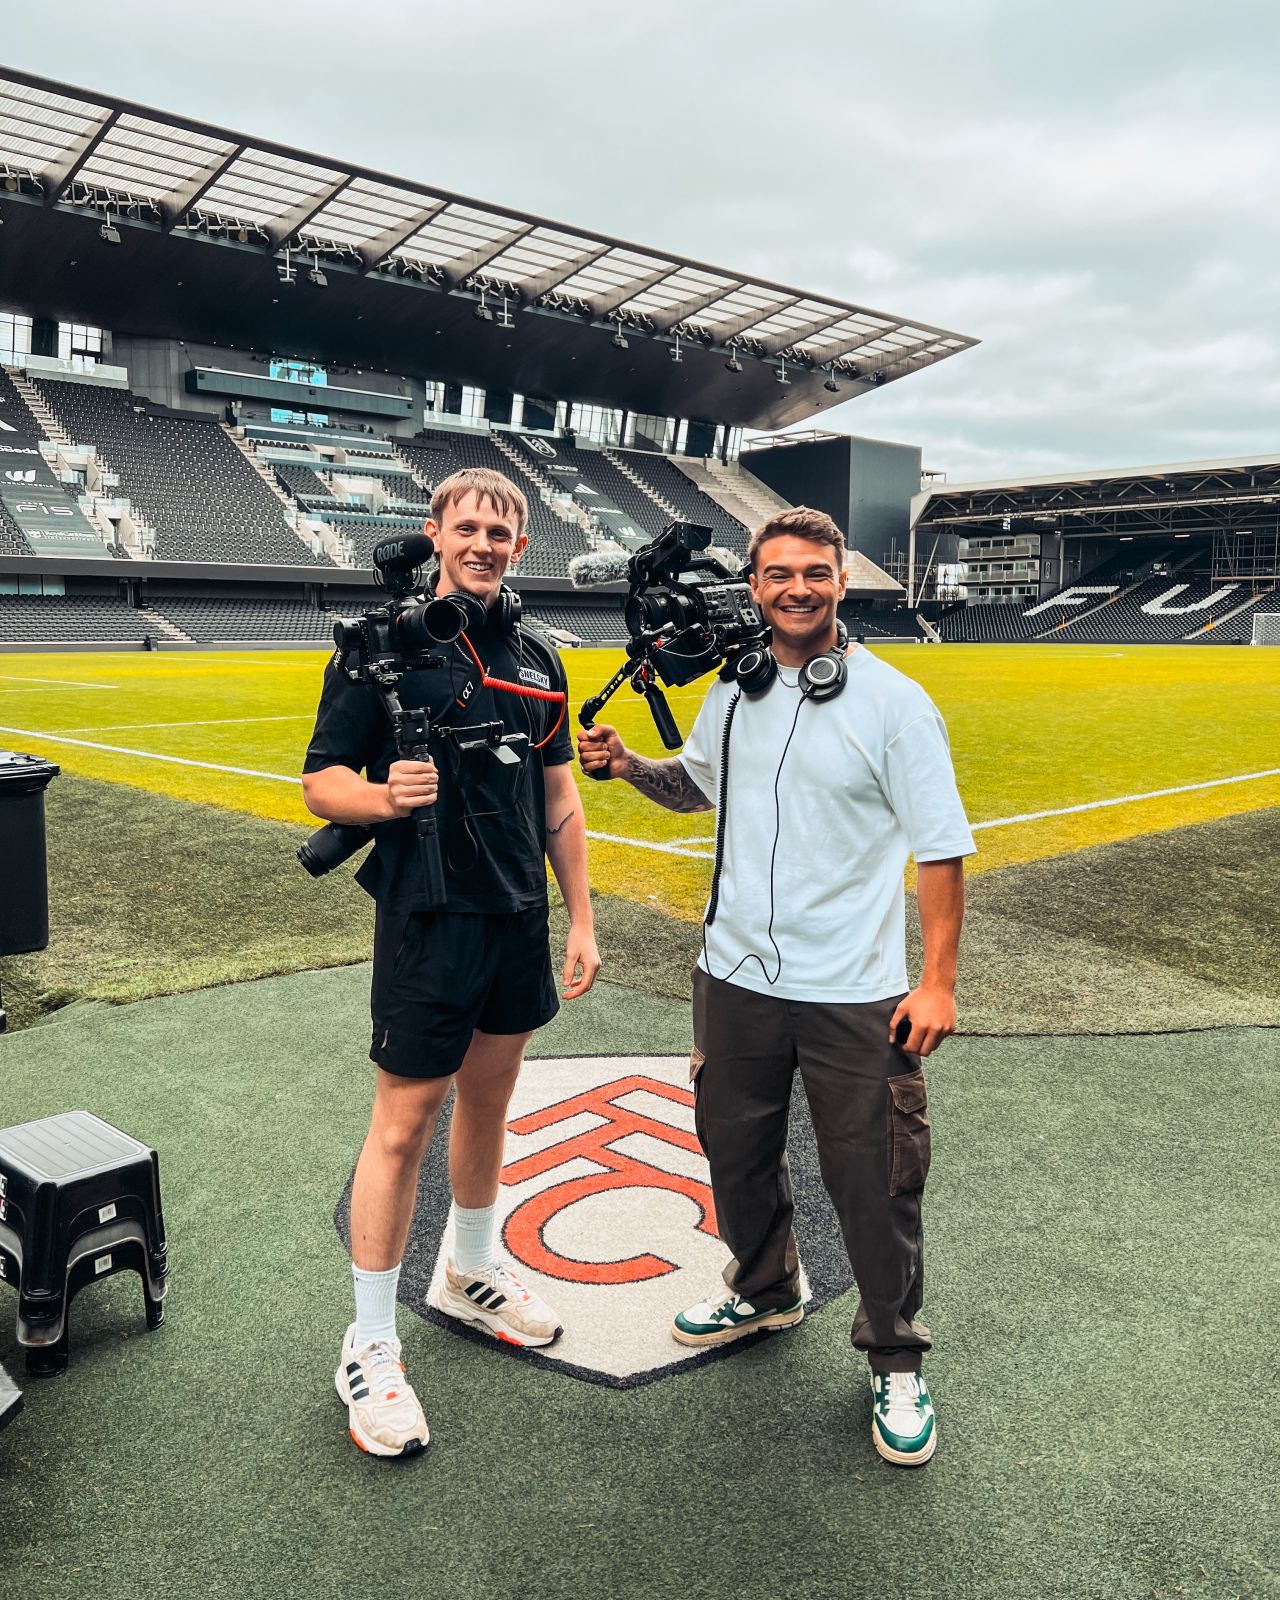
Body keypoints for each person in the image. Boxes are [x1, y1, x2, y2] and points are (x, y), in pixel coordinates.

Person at [577, 506, 974, 1468]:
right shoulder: (732, 693)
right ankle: (764, 1288)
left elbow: (943, 849)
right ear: (753, 586)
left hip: (855, 990)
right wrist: (630, 767)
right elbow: (698, 787)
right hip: (734, 975)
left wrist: (938, 984)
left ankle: (894, 1356)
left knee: (873, 1179)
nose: (796, 588)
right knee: (734, 1149)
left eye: (814, 573)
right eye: (777, 574)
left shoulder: (894, 703)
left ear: (841, 583)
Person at [304, 466, 600, 1458]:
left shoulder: (538, 655)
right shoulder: (381, 646)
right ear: (434, 533)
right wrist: (384, 800)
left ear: (521, 544)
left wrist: (580, 919)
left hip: (517, 916)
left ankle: (470, 1271)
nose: (484, 540)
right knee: (401, 1127)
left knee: (488, 1103)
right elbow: (320, 783)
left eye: (501, 528)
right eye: (468, 525)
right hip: (428, 916)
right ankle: (371, 1342)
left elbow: (558, 797)